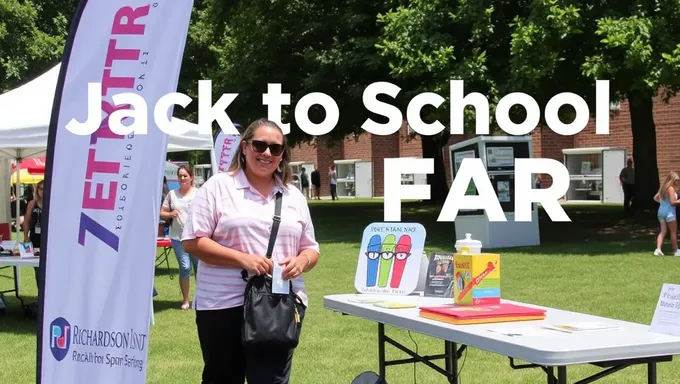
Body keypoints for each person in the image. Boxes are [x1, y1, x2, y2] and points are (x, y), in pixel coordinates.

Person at [182, 118, 320, 384]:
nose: (267, 153)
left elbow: (311, 248)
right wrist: (243, 259)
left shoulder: (293, 196)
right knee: (222, 379)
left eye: (275, 149)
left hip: (278, 305)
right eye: (259, 145)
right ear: (244, 147)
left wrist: (302, 261)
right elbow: (193, 241)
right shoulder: (218, 187)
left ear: (282, 155)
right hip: (223, 306)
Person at [160, 166, 199, 310]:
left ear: (191, 178)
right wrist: (170, 214)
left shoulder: (198, 193)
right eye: (180, 176)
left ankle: (199, 299)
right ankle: (185, 300)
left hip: (196, 238)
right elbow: (162, 213)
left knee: (199, 269)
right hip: (177, 237)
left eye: (185, 176)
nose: (182, 178)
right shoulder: (172, 194)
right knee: (185, 267)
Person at [22, 180, 44, 291]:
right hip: (35, 240)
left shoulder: (53, 203)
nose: (42, 192)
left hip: (48, 241)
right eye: (40, 189)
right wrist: (26, 237)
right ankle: (40, 295)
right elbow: (26, 221)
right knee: (37, 270)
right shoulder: (32, 204)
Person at [653, 171, 680, 256]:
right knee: (673, 232)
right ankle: (676, 251)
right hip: (669, 213)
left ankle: (658, 249)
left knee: (663, 231)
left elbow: (655, 198)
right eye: (676, 180)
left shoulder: (663, 187)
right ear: (672, 180)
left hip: (661, 212)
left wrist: (663, 203)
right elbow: (672, 202)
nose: (678, 182)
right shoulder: (670, 188)